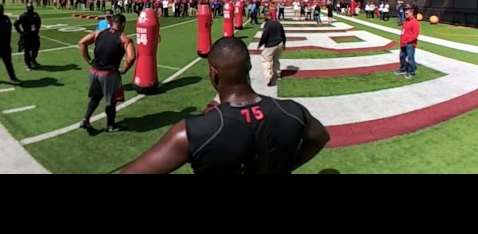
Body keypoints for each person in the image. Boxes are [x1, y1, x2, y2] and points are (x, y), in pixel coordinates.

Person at [120, 37, 330, 174]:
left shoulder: (192, 132)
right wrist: (288, 166)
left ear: (213, 72)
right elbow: (320, 137)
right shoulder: (292, 111)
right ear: (248, 68)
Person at [78, 13, 136, 134]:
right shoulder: (124, 38)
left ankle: (86, 119)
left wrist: (89, 60)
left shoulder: (99, 32)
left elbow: (82, 43)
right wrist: (124, 70)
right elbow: (131, 57)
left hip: (94, 71)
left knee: (96, 97)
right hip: (109, 74)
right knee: (111, 101)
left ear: (112, 22)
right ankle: (111, 125)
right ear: (123, 24)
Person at [258, 11, 286, 87]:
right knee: (276, 59)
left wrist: (260, 44)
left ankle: (268, 77)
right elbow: (283, 34)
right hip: (279, 43)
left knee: (266, 60)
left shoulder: (267, 24)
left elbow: (265, 35)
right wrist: (284, 44)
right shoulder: (278, 23)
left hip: (270, 45)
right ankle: (278, 73)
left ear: (266, 16)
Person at [395, 3, 420, 80]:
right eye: (405, 13)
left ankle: (411, 72)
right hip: (403, 43)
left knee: (410, 58)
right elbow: (403, 31)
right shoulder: (405, 21)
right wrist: (402, 41)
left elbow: (415, 34)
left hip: (410, 44)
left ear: (411, 13)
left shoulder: (415, 22)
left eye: (407, 13)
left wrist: (408, 41)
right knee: (402, 57)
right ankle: (402, 70)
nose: (405, 14)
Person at [13, 4, 42, 71]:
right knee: (27, 50)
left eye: (31, 8)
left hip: (34, 34)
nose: (30, 9)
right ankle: (28, 64)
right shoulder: (23, 16)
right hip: (27, 34)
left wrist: (37, 29)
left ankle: (33, 60)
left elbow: (39, 22)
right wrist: (20, 32)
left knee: (36, 47)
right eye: (29, 8)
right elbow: (16, 23)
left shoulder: (35, 15)